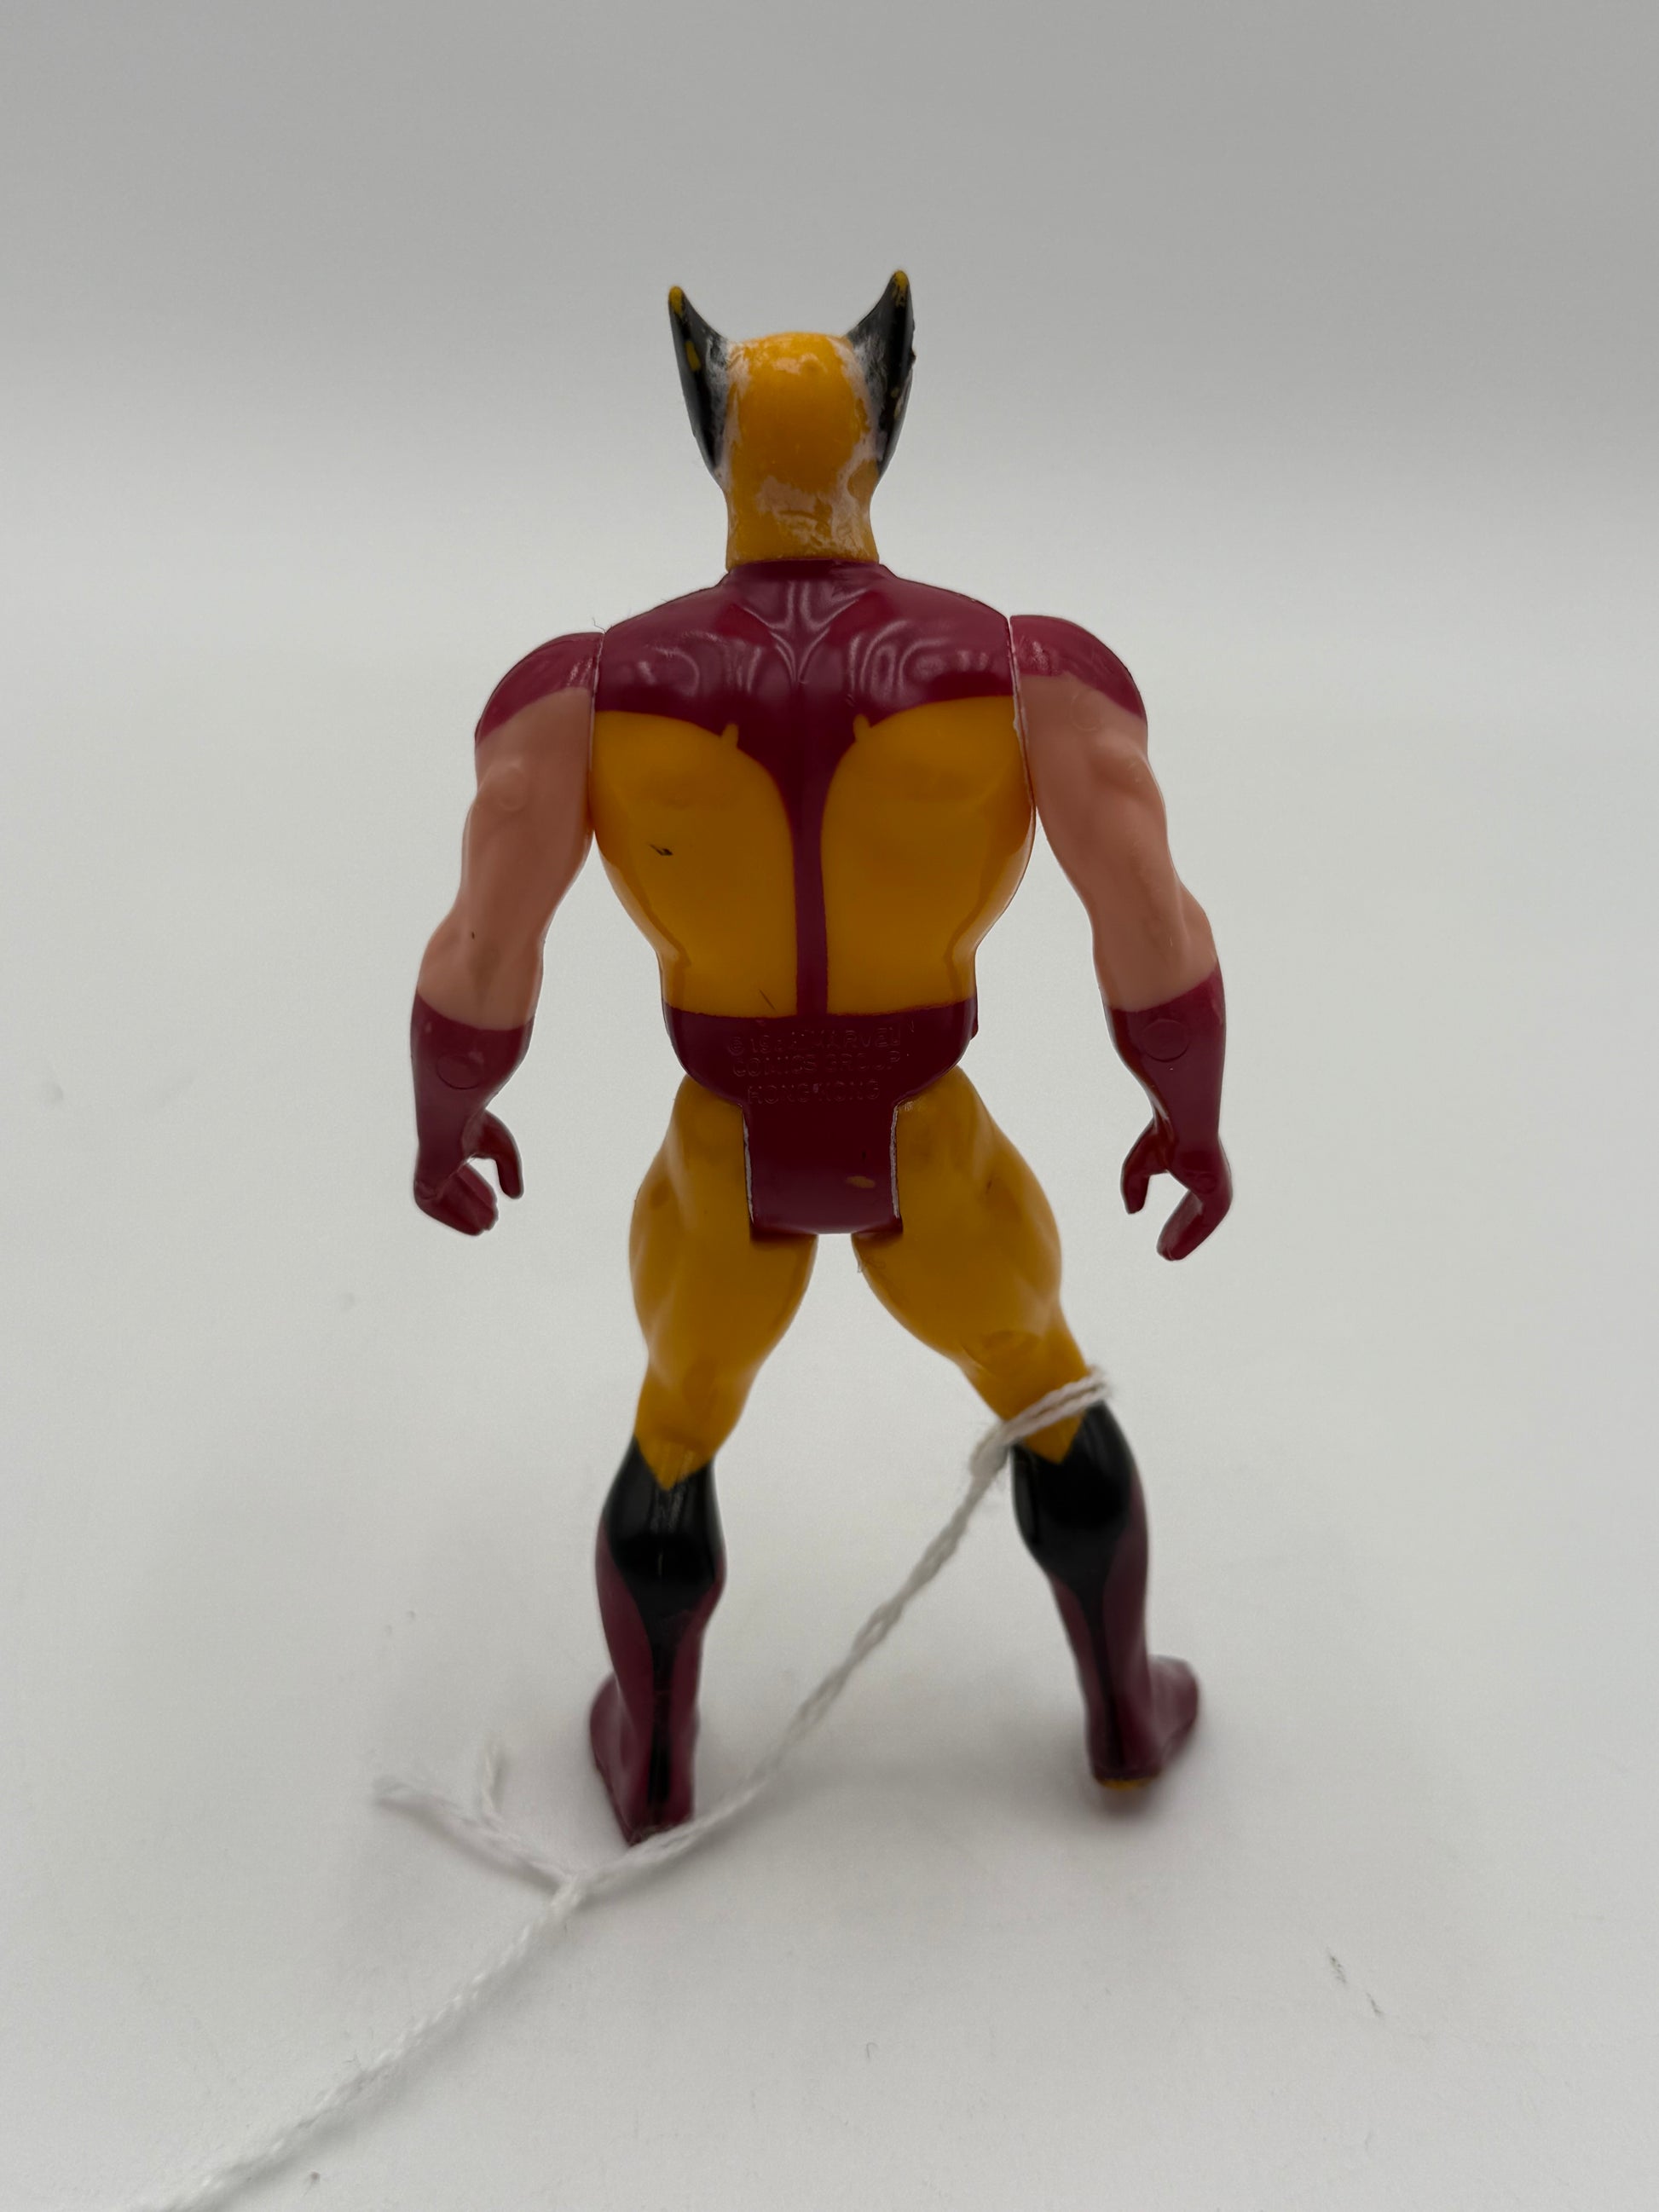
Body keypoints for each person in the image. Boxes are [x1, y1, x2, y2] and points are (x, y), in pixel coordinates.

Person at [409, 274, 1231, 1843]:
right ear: (887, 426)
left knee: (676, 1422)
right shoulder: (1024, 671)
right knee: (1047, 1392)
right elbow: (1149, 915)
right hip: (928, 1137)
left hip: (724, 1147)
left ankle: (652, 1764)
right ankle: (1124, 1714)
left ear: (706, 433)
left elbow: (480, 949)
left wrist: (448, 1121)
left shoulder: (583, 693)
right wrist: (1184, 1115)